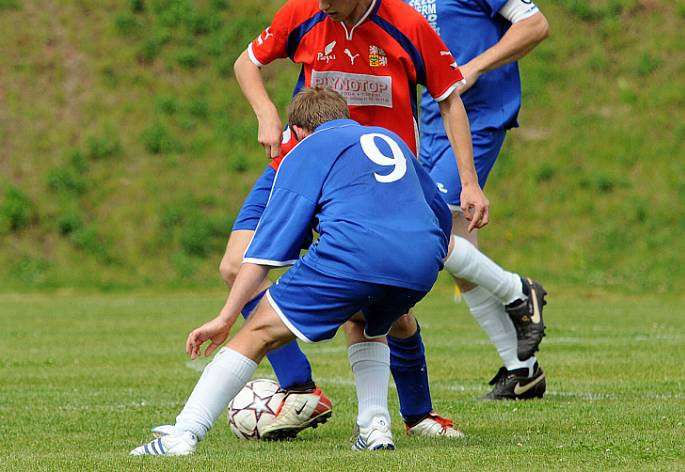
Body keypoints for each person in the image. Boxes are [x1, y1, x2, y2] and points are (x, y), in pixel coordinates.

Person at [217, 0, 486, 437]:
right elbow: (246, 63)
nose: (323, 7)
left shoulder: (405, 26)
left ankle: (418, 415)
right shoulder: (304, 12)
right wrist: (267, 113)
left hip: (376, 185)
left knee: (383, 311)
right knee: (237, 266)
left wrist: (469, 183)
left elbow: (450, 99)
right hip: (299, 167)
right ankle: (301, 390)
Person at [130, 87, 453, 455]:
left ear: (296, 131)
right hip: (422, 260)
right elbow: (439, 211)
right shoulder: (386, 138)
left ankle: (182, 435)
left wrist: (225, 317)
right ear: (343, 115)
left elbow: (266, 251)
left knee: (258, 332)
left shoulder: (305, 151)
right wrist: (422, 260)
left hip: (355, 254)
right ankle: (375, 428)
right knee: (364, 320)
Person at [401, 0, 551, 400]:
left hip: (479, 116)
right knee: (459, 255)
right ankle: (522, 370)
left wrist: (474, 68)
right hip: (430, 122)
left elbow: (534, 25)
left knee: (430, 233)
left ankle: (520, 292)